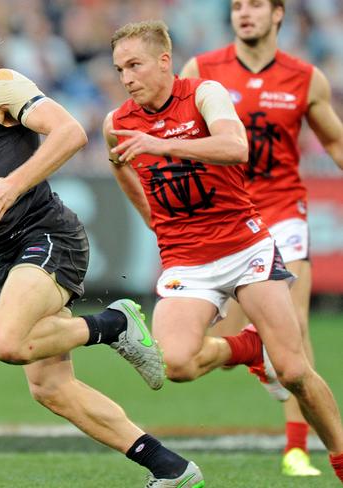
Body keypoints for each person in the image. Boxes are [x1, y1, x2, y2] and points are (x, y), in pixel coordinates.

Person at [0, 6, 204, 487]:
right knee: (50, 388)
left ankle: (114, 323)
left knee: (5, 342)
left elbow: (70, 131)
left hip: (47, 234)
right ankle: (170, 469)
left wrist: (9, 186)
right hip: (6, 253)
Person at [104, 19, 343, 484]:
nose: (127, 78)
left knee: (294, 371)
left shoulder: (203, 94)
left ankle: (338, 455)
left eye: (134, 65)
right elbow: (119, 165)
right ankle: (250, 347)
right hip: (185, 258)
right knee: (173, 365)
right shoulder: (118, 122)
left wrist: (159, 144)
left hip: (244, 245)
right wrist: (153, 221)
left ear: (164, 61)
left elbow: (237, 147)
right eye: (119, 69)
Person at [180, 0, 343, 476]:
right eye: (236, 6)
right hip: (227, 219)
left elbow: (333, 142)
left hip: (283, 212)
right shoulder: (203, 69)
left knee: (294, 330)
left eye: (255, 5)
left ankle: (297, 447)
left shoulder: (304, 77)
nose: (243, 13)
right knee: (220, 345)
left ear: (278, 15)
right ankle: (252, 353)